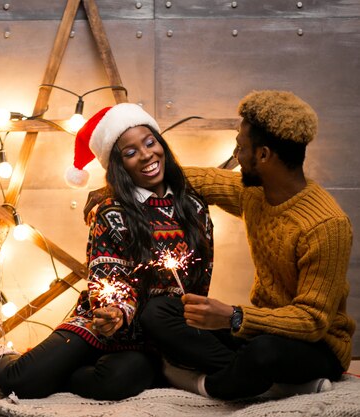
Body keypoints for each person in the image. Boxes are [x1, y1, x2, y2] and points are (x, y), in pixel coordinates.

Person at [0, 103, 214, 400]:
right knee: (23, 382)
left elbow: (200, 278)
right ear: (119, 165)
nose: (147, 155)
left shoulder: (195, 208)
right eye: (131, 152)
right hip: (102, 321)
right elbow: (107, 274)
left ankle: (61, 372)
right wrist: (115, 311)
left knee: (119, 380)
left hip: (152, 340)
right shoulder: (111, 212)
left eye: (150, 142)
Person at [138, 90, 355, 400]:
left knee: (263, 352)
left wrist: (234, 317)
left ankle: (208, 385)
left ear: (263, 155)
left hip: (315, 346)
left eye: (240, 148)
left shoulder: (326, 225)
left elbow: (312, 321)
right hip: (260, 330)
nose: (236, 156)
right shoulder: (255, 193)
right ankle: (275, 385)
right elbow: (200, 179)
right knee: (158, 312)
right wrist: (116, 188)